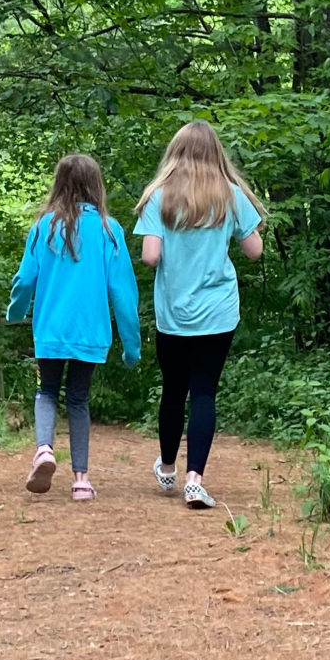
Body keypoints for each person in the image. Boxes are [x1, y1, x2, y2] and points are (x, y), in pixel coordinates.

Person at [133, 120, 263, 510]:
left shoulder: (159, 197)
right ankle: (195, 481)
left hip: (173, 313)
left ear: (176, 154)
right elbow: (254, 250)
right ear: (216, 154)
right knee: (205, 392)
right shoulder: (232, 195)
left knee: (173, 391)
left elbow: (150, 255)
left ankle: (169, 468)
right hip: (218, 313)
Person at [5, 153, 141, 501]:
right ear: (96, 187)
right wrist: (131, 345)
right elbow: (122, 292)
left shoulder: (43, 227)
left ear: (59, 185)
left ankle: (45, 449)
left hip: (50, 330)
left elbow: (25, 280)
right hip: (91, 332)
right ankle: (81, 480)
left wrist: (15, 311)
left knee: (47, 391)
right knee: (78, 399)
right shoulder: (110, 232)